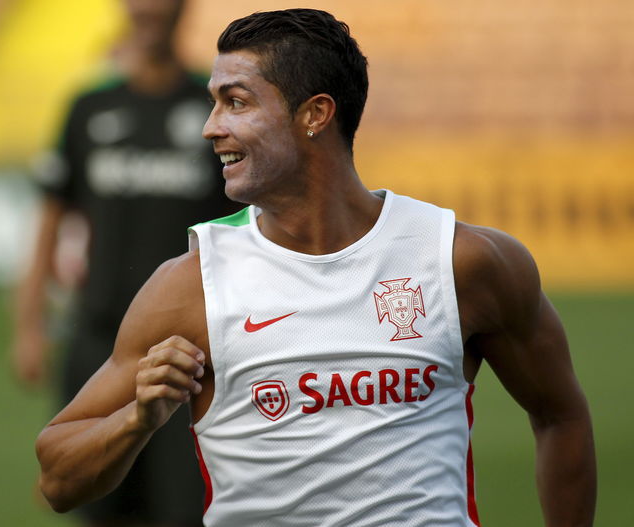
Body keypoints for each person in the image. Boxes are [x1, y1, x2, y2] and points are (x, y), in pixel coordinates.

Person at [34, 8, 596, 526]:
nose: (210, 126)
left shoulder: (462, 260)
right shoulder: (189, 286)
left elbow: (561, 416)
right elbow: (58, 477)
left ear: (315, 115)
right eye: (213, 102)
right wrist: (137, 419)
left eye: (236, 102)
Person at [14, 0, 234, 525]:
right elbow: (50, 221)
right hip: (98, 340)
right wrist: (28, 325)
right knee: (99, 505)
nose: (151, 10)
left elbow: (244, 223)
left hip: (190, 353)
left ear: (184, 9)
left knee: (186, 509)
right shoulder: (88, 106)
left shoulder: (213, 105)